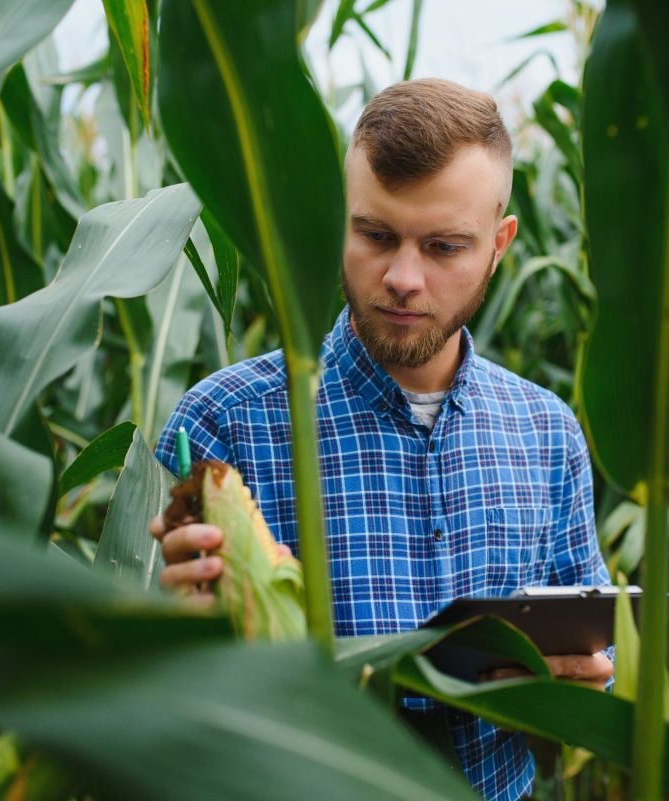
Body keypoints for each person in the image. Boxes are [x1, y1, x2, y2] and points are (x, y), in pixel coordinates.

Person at [148, 78, 613, 801]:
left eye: (443, 246)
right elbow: (149, 700)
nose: (402, 277)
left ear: (499, 244)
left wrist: (581, 681)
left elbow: (588, 659)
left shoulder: (547, 432)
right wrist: (168, 626)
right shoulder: (223, 424)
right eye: (374, 235)